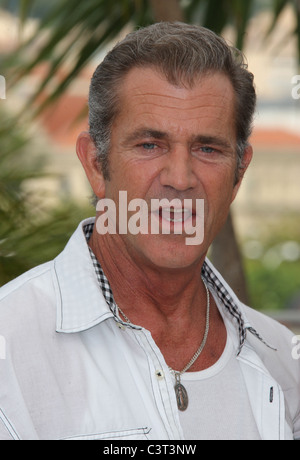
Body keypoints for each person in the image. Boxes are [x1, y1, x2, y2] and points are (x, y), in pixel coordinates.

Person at [0, 22, 299, 441]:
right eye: (149, 145)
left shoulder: (282, 359)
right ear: (95, 165)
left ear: (238, 174)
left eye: (207, 148)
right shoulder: (9, 348)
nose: (180, 178)